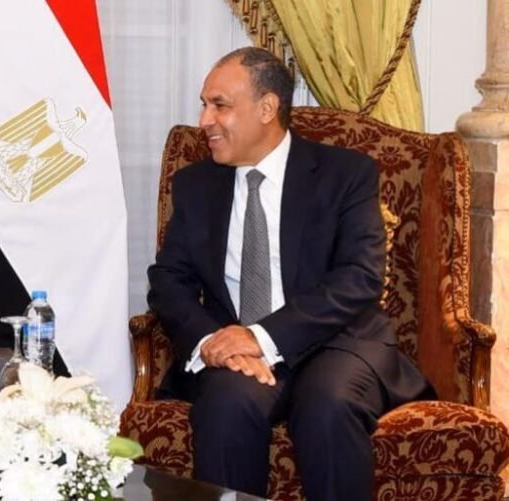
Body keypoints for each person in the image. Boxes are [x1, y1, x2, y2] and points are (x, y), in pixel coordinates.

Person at [147, 47, 433, 500]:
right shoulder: (196, 184)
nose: (204, 120)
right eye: (204, 104)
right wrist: (213, 343)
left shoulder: (346, 174)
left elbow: (359, 277)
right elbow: (168, 281)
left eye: (219, 105)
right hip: (236, 352)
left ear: (267, 109)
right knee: (225, 404)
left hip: (338, 342)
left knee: (328, 404)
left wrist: (259, 336)